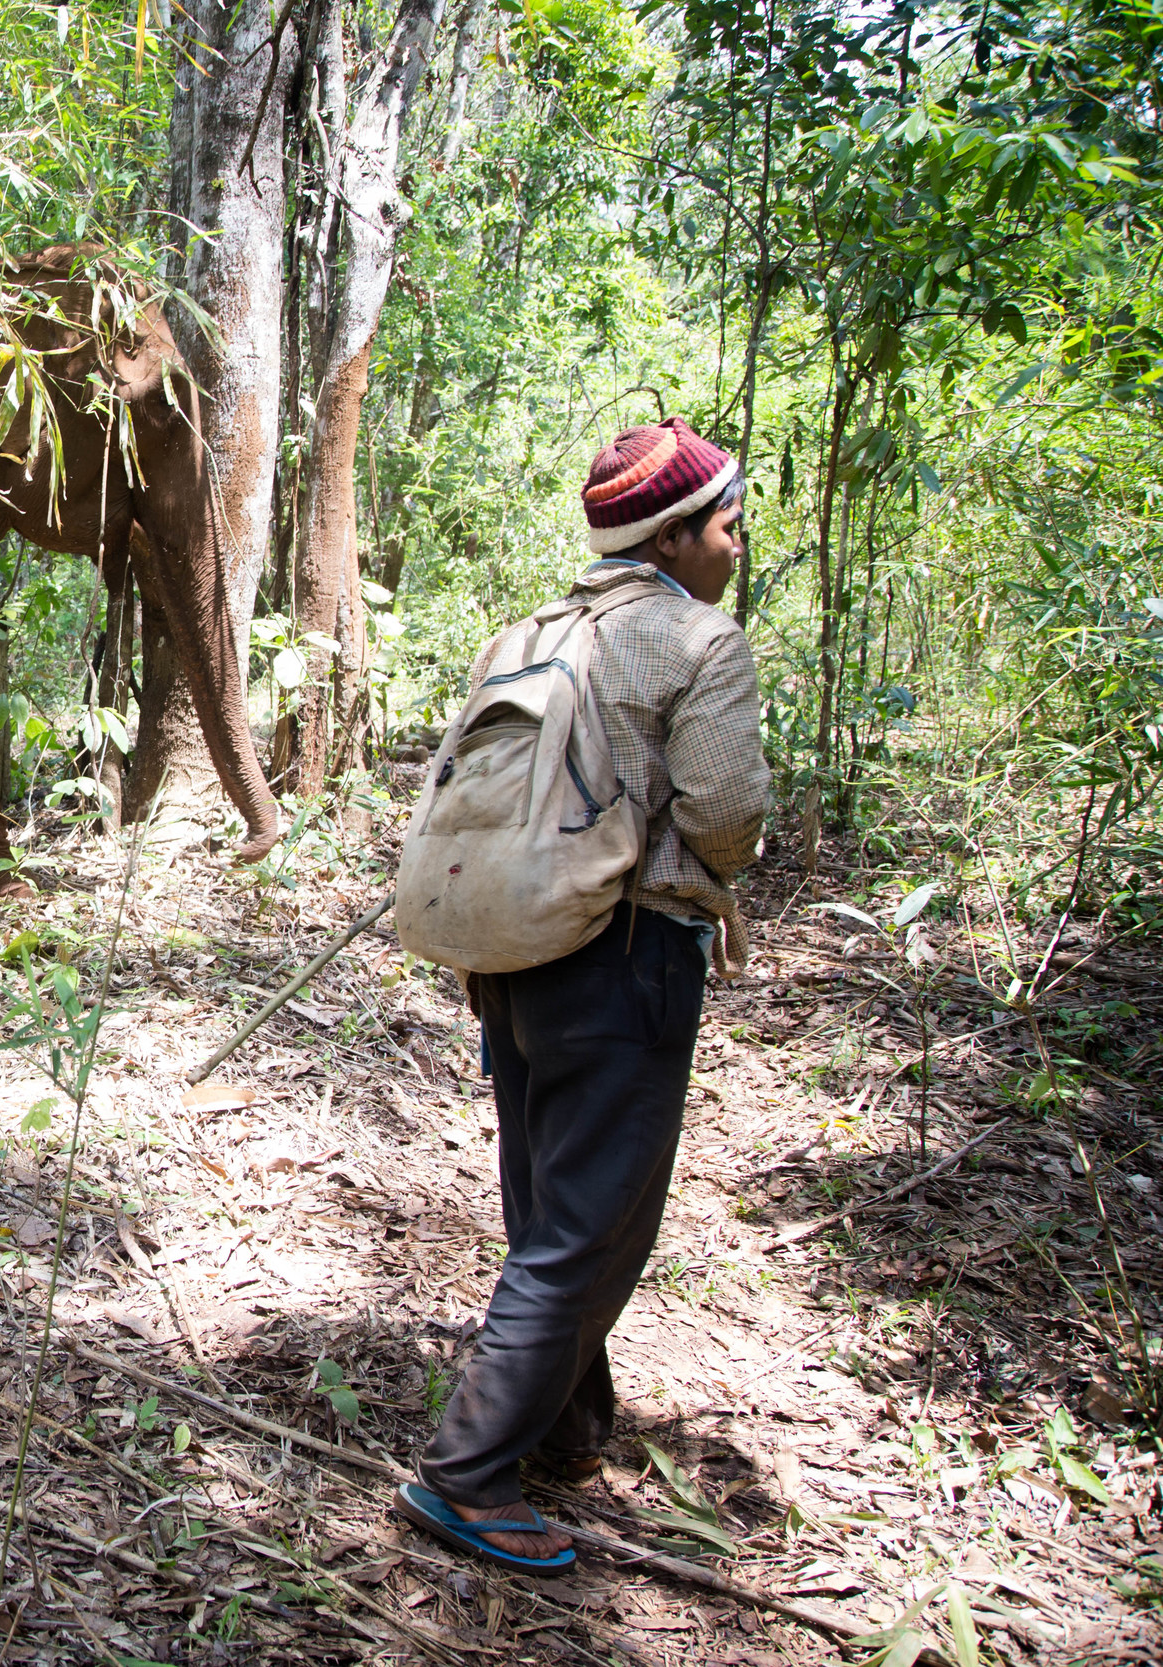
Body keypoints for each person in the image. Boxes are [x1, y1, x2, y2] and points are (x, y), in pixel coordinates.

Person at [396, 416, 770, 1569]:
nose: (738, 541)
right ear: (676, 534)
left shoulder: (525, 632)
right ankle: (466, 1472)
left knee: (548, 1197)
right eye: (727, 520)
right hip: (623, 954)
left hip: (510, 947)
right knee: (593, 1221)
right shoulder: (699, 643)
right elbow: (725, 812)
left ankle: (563, 1425)